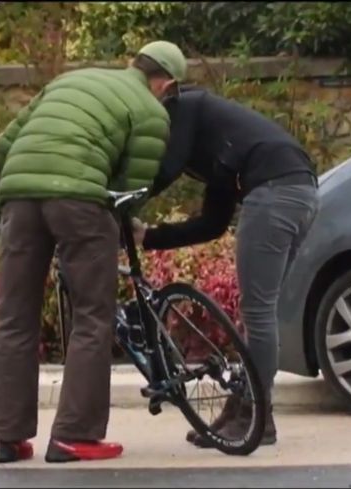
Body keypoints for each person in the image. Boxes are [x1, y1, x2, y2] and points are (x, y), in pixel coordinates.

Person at [0, 40, 187, 465]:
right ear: (166, 84)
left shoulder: (70, 80)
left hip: (18, 196)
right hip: (79, 201)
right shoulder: (151, 111)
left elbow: (3, 147)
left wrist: (4, 202)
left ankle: (9, 438)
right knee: (93, 315)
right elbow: (131, 188)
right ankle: (74, 436)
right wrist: (116, 224)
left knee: (13, 315)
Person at [133, 85, 320, 448]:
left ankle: (255, 415)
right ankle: (240, 410)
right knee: (260, 313)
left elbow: (165, 168)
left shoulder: (184, 106)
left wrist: (120, 200)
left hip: (273, 194)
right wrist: (149, 237)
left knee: (259, 313)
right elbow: (212, 224)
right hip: (301, 193)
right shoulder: (221, 148)